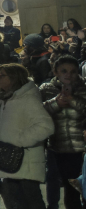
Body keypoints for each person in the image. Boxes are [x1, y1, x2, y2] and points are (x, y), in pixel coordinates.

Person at [0, 63, 54, 209]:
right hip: (6, 159)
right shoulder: (1, 98)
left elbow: (46, 126)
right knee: (12, 202)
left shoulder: (28, 99)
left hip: (26, 162)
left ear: (14, 78)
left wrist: (18, 140)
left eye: (2, 75)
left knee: (30, 202)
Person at [41, 55, 86, 209]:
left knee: (79, 187)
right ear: (56, 72)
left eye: (73, 71)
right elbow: (37, 113)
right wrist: (56, 103)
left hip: (82, 147)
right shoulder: (46, 88)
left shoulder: (84, 87)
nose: (68, 74)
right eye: (64, 71)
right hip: (56, 146)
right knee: (58, 182)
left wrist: (71, 99)